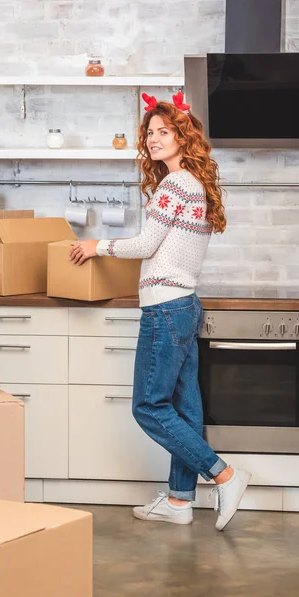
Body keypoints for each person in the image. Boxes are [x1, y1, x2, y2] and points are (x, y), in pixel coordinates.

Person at [69, 91, 251, 531]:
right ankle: (178, 500)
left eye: (163, 132)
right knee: (183, 410)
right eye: (149, 133)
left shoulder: (176, 183)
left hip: (166, 309)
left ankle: (225, 475)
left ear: (183, 137)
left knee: (149, 407)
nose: (153, 139)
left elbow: (146, 245)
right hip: (184, 305)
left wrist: (97, 246)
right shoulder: (194, 182)